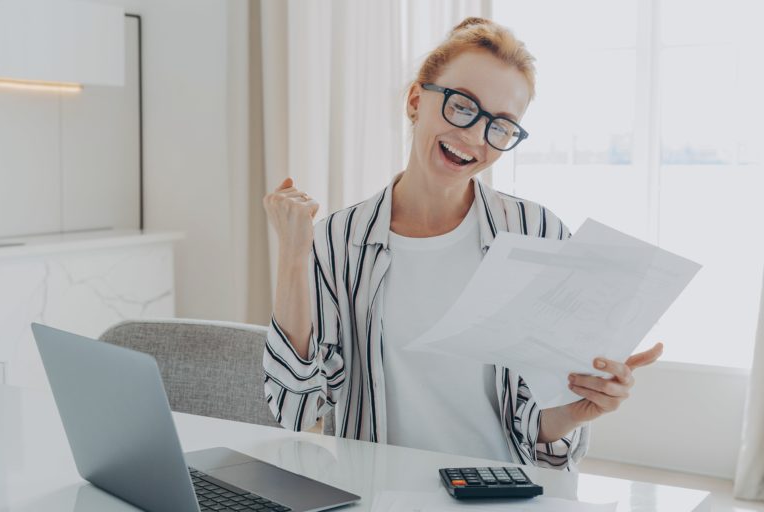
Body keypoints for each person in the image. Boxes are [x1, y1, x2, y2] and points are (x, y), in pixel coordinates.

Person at [262, 16, 662, 471]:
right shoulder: (339, 240)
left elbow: (536, 427)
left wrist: (574, 412)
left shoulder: (537, 231)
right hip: (378, 493)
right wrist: (295, 255)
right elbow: (295, 410)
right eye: (462, 106)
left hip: (503, 492)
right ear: (416, 101)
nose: (474, 136)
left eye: (501, 126)